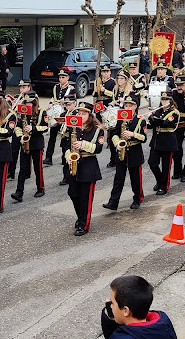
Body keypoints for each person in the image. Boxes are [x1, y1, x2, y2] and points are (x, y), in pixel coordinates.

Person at [101, 275, 177, 339]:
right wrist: (109, 319)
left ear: (125, 310)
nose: (110, 305)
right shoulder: (163, 323)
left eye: (112, 302)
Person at [66, 101, 104, 236]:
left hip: (89, 166)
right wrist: (68, 156)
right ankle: (80, 217)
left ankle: (84, 224)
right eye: (79, 113)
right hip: (74, 165)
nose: (81, 116)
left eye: (84, 114)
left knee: (85, 198)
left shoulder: (97, 130)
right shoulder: (73, 127)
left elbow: (98, 149)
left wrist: (83, 144)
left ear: (89, 115)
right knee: (73, 193)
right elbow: (67, 146)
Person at [103, 96, 147, 211]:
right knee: (118, 179)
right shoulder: (120, 119)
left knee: (135, 179)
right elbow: (114, 134)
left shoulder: (140, 120)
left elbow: (144, 138)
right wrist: (117, 143)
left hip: (134, 152)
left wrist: (132, 134)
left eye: (130, 106)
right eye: (126, 105)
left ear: (135, 107)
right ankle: (113, 202)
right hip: (122, 152)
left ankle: (137, 199)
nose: (127, 108)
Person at [11, 91, 47, 202]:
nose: (28, 105)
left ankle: (41, 188)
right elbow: (17, 127)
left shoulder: (41, 112)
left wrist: (33, 128)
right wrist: (20, 137)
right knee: (22, 169)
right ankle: (19, 192)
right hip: (25, 143)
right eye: (26, 103)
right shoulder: (22, 112)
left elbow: (45, 128)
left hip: (37, 143)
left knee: (38, 168)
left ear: (34, 102)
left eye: (30, 103)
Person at [147, 92, 179, 195]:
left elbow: (167, 123)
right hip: (156, 141)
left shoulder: (174, 112)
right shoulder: (158, 111)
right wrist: (149, 119)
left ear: (170, 101)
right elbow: (152, 125)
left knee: (166, 166)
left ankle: (164, 186)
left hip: (168, 142)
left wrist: (154, 118)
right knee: (152, 163)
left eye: (166, 100)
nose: (164, 101)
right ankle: (160, 180)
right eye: (163, 99)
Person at [43, 70, 75, 166]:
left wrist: (64, 101)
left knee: (65, 137)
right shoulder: (56, 87)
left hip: (65, 114)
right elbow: (53, 98)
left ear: (67, 78)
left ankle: (64, 157)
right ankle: (49, 157)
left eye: (63, 77)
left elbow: (74, 101)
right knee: (52, 137)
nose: (61, 79)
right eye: (60, 77)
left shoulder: (71, 89)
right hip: (56, 115)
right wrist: (50, 103)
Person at [7, 79, 33, 180]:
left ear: (29, 88)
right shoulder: (17, 97)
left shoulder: (33, 98)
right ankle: (11, 172)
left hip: (26, 127)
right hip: (17, 126)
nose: (22, 89)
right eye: (21, 87)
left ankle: (26, 172)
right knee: (13, 150)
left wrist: (21, 104)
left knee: (26, 151)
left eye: (24, 87)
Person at [58, 92, 77, 186]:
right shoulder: (63, 114)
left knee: (73, 157)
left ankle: (73, 175)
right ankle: (66, 177)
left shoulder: (77, 114)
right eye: (66, 105)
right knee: (64, 158)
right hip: (64, 139)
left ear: (74, 104)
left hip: (73, 139)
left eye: (69, 105)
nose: (67, 107)